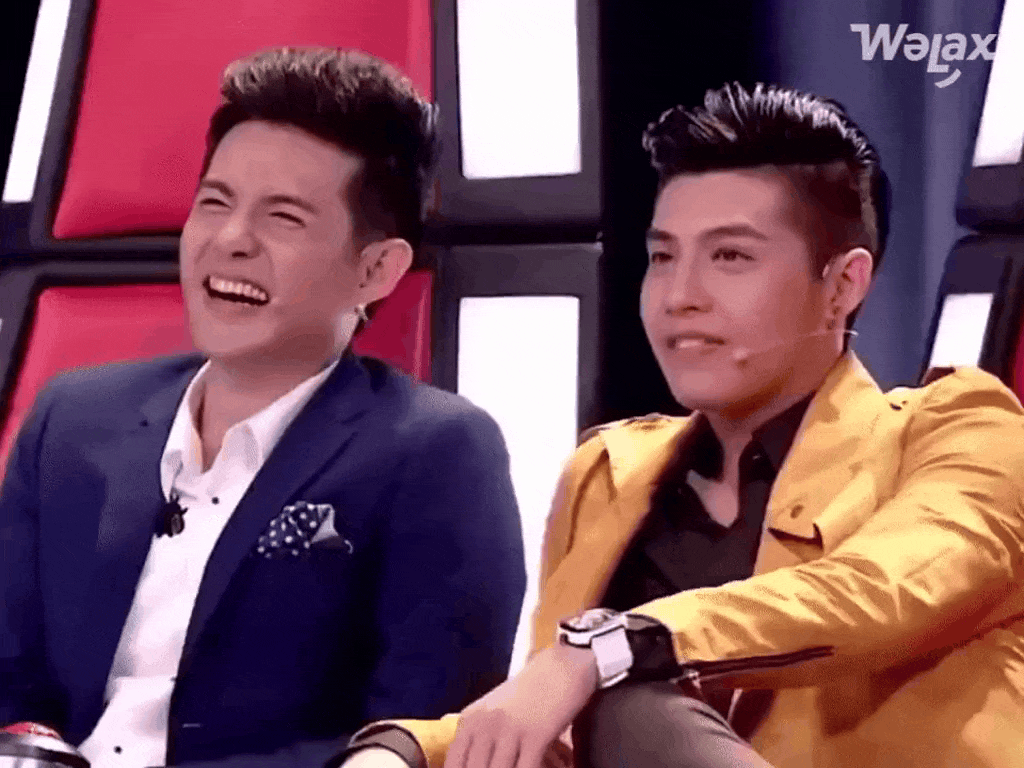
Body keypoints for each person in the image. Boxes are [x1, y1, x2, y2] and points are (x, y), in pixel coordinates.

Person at [337, 82, 1024, 768]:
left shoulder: (960, 428)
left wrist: (616, 647)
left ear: (843, 284)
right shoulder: (609, 472)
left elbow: (887, 587)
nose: (680, 296)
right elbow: (553, 735)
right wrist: (403, 753)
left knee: (625, 698)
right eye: (663, 257)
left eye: (730, 257)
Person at [0, 48, 526, 768]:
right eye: (214, 203)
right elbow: (9, 675)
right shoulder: (72, 418)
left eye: (284, 218)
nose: (230, 241)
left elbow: (424, 728)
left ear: (376, 270)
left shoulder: (435, 449)